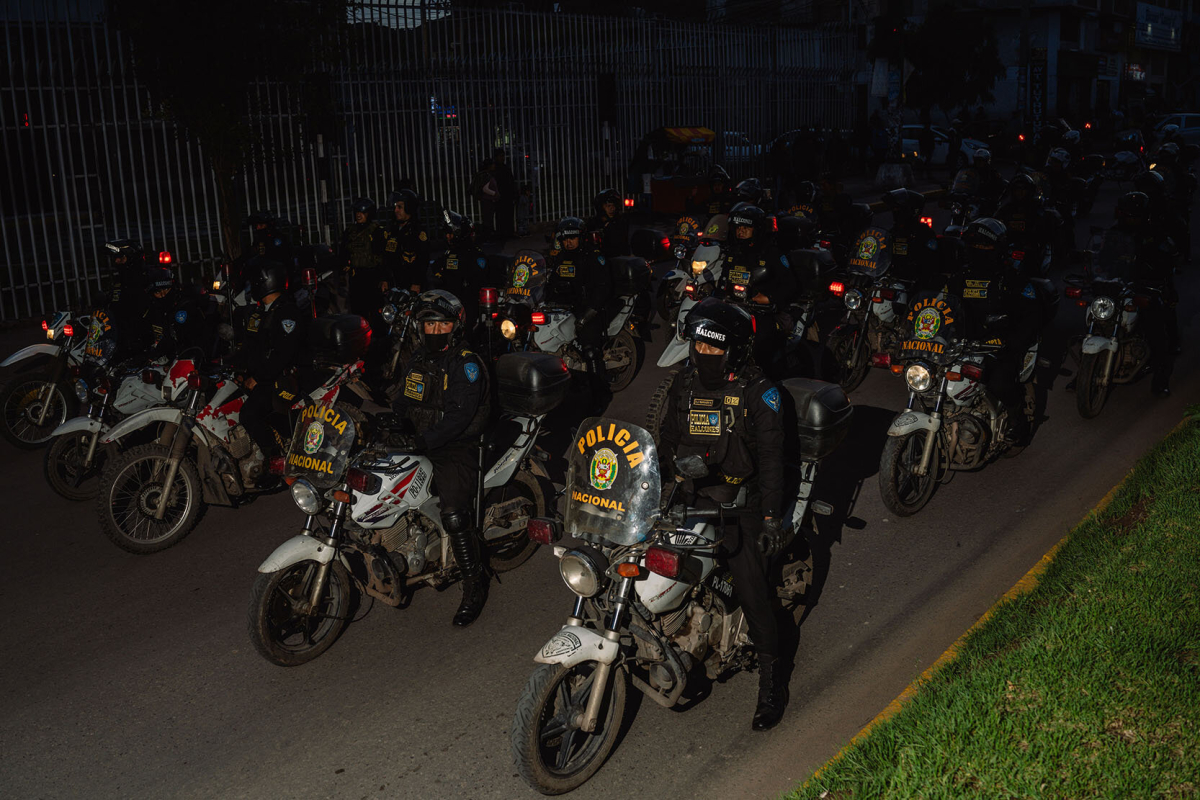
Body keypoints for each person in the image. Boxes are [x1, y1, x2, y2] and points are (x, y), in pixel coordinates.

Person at [656, 298, 790, 731]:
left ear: (734, 350)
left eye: (714, 349)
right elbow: (665, 438)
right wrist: (655, 484)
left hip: (740, 500)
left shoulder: (758, 391)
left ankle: (772, 681)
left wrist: (771, 518)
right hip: (692, 492)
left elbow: (772, 458)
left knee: (752, 586)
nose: (703, 355)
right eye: (698, 346)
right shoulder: (685, 382)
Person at [390, 290, 493, 626]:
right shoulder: (419, 360)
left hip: (456, 445)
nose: (434, 331)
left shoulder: (466, 364)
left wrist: (424, 440)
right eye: (428, 325)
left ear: (455, 326)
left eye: (441, 325)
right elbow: (403, 401)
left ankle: (473, 584)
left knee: (454, 514)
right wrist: (390, 424)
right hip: (422, 440)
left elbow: (458, 419)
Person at [946, 218, 1045, 445]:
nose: (979, 251)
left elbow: (1032, 316)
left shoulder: (1013, 280)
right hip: (962, 344)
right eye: (975, 246)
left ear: (998, 248)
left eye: (985, 246)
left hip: (999, 346)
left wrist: (1011, 342)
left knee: (1000, 382)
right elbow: (944, 306)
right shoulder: (959, 278)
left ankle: (1018, 422)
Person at [232, 258, 310, 484]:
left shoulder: (287, 313)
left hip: (285, 377)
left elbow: (282, 355)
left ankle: (276, 465)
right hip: (264, 375)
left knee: (249, 413)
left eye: (255, 282)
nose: (251, 287)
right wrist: (237, 368)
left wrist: (258, 378)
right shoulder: (261, 312)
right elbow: (251, 348)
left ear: (266, 283)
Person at [1104, 192, 1178, 395]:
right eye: (1127, 214)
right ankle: (1085, 372)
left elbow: (1168, 261)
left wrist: (1157, 275)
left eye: (1134, 215)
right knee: (1098, 317)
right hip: (1117, 284)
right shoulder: (1113, 232)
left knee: (1157, 332)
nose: (1130, 219)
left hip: (1145, 287)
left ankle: (1161, 379)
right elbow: (1100, 257)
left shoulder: (1156, 234)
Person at [717, 203, 797, 376]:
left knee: (759, 351)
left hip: (764, 312)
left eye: (746, 228)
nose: (741, 232)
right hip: (736, 309)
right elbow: (723, 283)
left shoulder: (772, 253)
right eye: (738, 228)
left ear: (757, 229)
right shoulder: (733, 253)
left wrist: (769, 298)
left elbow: (790, 285)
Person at [545, 216, 614, 411]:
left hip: (590, 310)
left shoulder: (594, 257)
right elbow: (550, 284)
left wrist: (586, 316)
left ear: (581, 237)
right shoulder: (561, 257)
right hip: (565, 309)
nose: (568, 242)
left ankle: (600, 395)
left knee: (590, 350)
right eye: (565, 239)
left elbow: (603, 289)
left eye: (573, 238)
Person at [431, 210, 488, 327]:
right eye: (446, 233)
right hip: (447, 302)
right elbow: (435, 268)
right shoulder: (449, 253)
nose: (448, 237)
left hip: (466, 305)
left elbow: (477, 282)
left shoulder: (474, 255)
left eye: (450, 233)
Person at [881, 188, 939, 292]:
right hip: (893, 279)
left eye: (898, 209)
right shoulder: (893, 231)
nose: (895, 212)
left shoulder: (924, 233)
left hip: (915, 284)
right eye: (894, 209)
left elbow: (930, 262)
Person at [342, 197, 386, 317]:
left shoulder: (376, 231)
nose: (359, 215)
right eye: (357, 212)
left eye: (362, 212)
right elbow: (343, 251)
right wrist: (345, 264)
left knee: (375, 309)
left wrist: (383, 277)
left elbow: (383, 255)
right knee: (358, 309)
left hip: (372, 276)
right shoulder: (350, 231)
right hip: (356, 276)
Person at [380, 189, 430, 293]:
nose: (396, 210)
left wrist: (417, 283)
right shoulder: (392, 231)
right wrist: (385, 279)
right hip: (395, 284)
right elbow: (386, 257)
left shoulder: (417, 231)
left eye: (400, 207)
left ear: (409, 208)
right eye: (395, 207)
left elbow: (423, 260)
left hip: (412, 285)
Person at [586, 187, 631, 258]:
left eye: (614, 206)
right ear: (601, 207)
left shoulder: (621, 222)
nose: (612, 208)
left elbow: (624, 246)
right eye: (608, 206)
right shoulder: (593, 223)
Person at [470, 159, 499, 239]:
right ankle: (487, 236)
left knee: (488, 218)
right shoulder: (486, 176)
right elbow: (485, 189)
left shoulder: (485, 175)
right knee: (487, 219)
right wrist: (495, 194)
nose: (494, 166)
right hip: (487, 200)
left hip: (487, 200)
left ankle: (488, 235)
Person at [492, 148, 517, 240]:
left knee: (508, 215)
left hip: (507, 196)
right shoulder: (496, 169)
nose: (503, 158)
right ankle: (502, 234)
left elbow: (510, 181)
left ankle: (508, 233)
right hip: (500, 197)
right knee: (501, 216)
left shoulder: (505, 168)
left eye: (503, 156)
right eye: (501, 156)